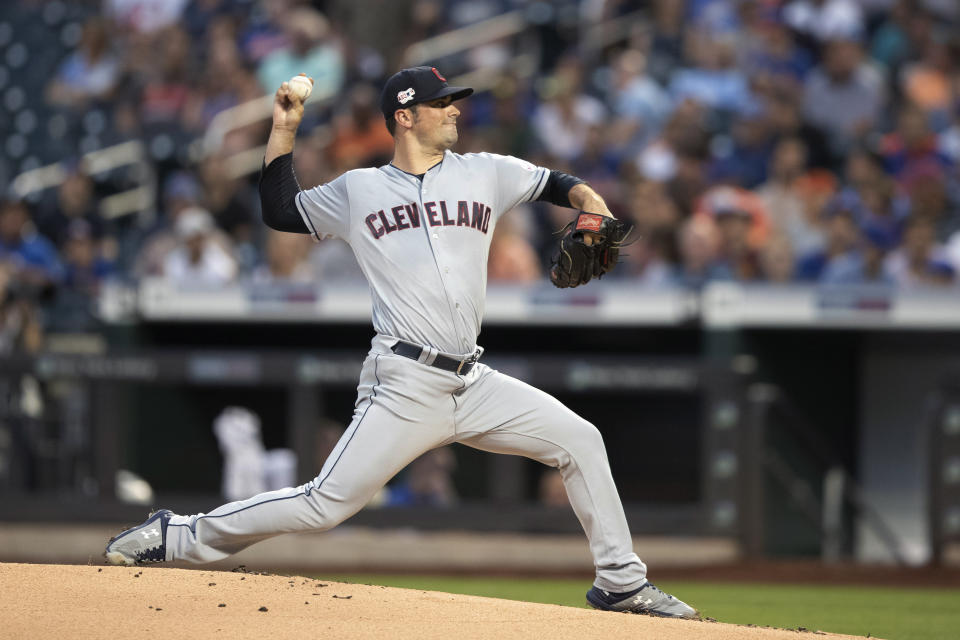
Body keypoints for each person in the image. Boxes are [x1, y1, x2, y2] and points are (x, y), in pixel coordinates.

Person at [105, 66, 698, 619]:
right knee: (322, 505)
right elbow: (281, 210)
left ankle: (621, 581)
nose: (455, 112)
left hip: (472, 379)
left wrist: (592, 203)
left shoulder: (484, 170)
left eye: (454, 103)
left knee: (579, 440)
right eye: (442, 104)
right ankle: (177, 536)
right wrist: (284, 126)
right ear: (405, 116)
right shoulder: (360, 189)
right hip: (405, 382)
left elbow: (557, 183)